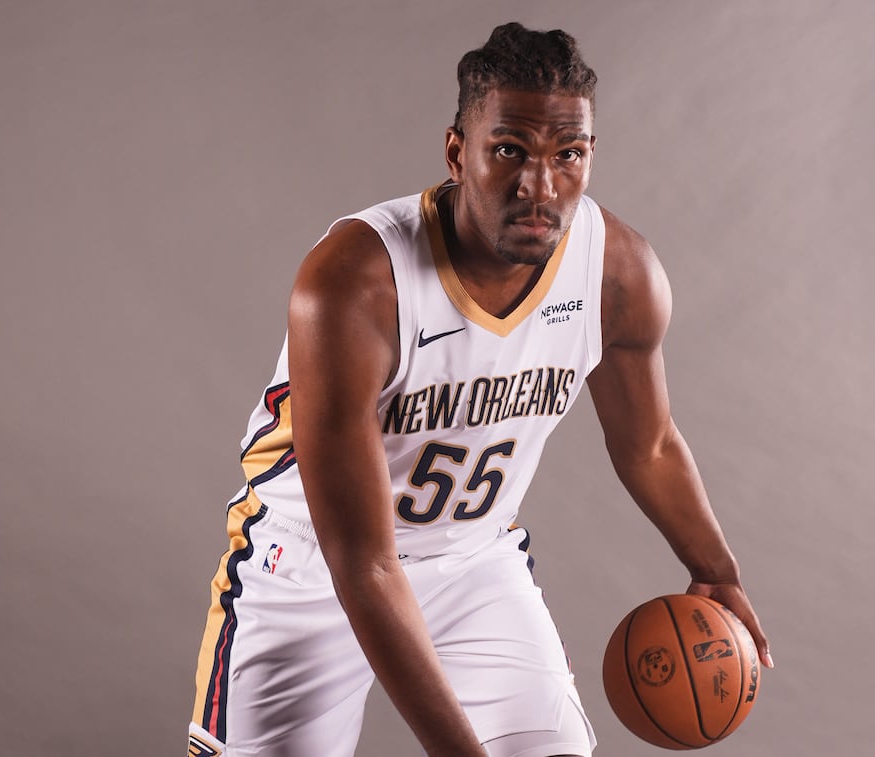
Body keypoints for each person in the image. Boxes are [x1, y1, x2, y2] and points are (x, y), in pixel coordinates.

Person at [188, 21, 773, 757]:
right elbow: (364, 564)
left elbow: (649, 443)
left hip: (473, 557)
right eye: (510, 151)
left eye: (569, 155)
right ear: (456, 152)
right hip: (308, 564)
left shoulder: (616, 272)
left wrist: (715, 569)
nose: (541, 185)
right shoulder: (356, 280)